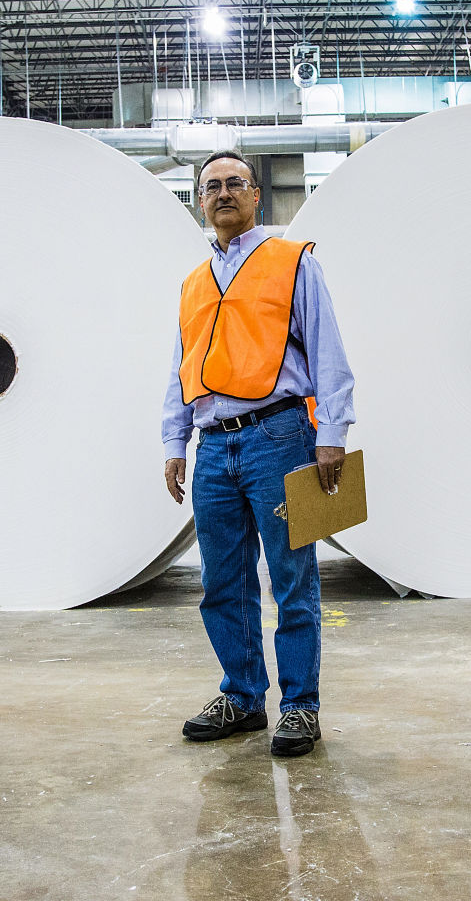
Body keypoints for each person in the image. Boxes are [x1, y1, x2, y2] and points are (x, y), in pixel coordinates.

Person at [162, 150, 355, 757]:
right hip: (213, 447)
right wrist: (175, 440)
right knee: (223, 582)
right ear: (200, 201)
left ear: (256, 198)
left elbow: (327, 350)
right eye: (211, 185)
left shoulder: (291, 263)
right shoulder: (194, 283)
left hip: (281, 438)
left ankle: (299, 707)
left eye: (234, 184)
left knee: (292, 578)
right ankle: (242, 697)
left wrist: (332, 434)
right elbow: (182, 366)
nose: (223, 193)